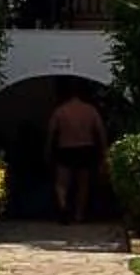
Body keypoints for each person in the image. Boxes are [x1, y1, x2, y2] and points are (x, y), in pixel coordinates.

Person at [46, 86, 109, 225]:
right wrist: (104, 151)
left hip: (65, 148)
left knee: (61, 183)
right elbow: (100, 131)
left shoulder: (60, 110)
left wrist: (48, 150)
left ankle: (63, 207)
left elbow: (51, 132)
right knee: (83, 184)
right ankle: (79, 215)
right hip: (85, 147)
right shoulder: (90, 110)